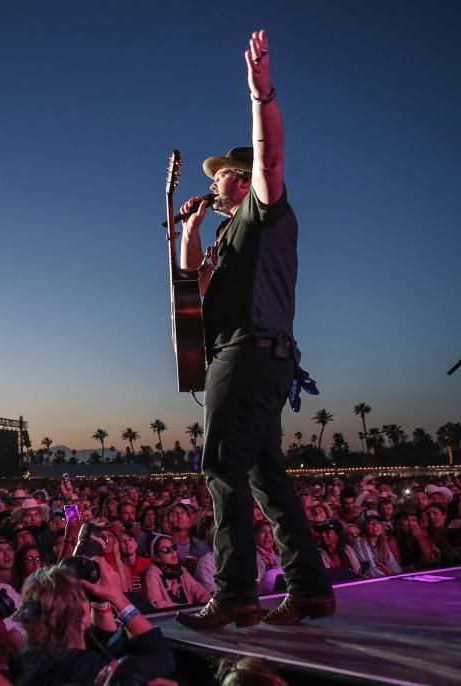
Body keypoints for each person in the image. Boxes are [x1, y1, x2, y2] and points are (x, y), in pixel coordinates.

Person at [175, 30, 334, 628]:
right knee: (265, 473)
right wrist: (190, 228)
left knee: (220, 467)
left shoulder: (263, 209)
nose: (212, 182)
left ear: (241, 180)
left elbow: (270, 158)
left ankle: (236, 593)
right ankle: (311, 588)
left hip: (246, 356)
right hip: (266, 358)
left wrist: (260, 93)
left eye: (220, 176)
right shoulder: (225, 232)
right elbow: (192, 286)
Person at [13, 559, 174, 685]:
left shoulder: (24, 659)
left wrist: (100, 601)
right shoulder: (92, 670)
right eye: (84, 597)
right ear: (80, 618)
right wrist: (117, 597)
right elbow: (160, 657)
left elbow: (105, 642)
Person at [143, 534, 210, 609]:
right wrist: (187, 608)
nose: (172, 552)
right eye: (166, 550)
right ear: (156, 557)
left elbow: (200, 592)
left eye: (173, 547)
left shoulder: (181, 570)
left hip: (188, 616)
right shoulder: (152, 573)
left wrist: (205, 606)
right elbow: (155, 603)